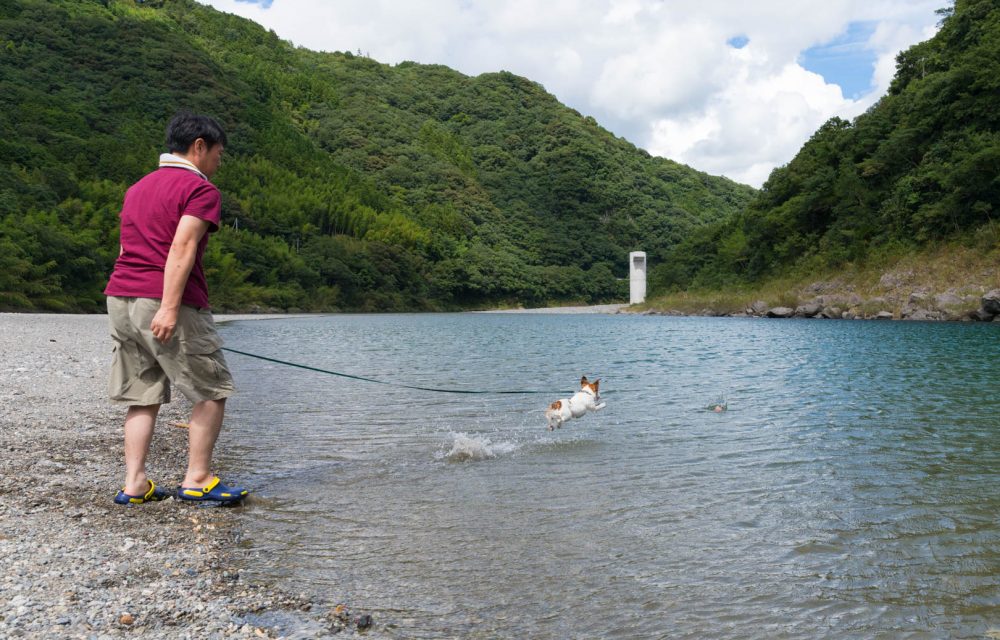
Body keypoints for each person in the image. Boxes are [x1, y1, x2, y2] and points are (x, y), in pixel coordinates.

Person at [104, 111, 247, 506]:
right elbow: (182, 247)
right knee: (211, 390)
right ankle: (198, 478)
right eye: (218, 153)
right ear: (199, 146)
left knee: (142, 393)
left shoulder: (138, 188)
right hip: (166, 300)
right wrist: (168, 308)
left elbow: (124, 248)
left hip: (121, 297)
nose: (219, 162)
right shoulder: (200, 190)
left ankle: (134, 484)